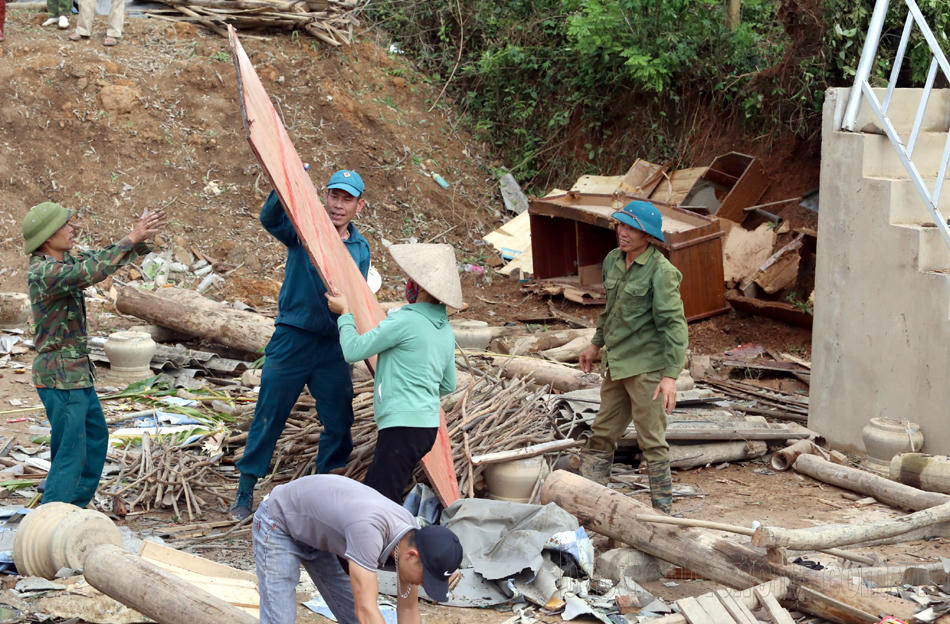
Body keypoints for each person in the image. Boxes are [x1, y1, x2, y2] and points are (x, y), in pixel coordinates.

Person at [231, 170, 371, 520]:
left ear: (359, 206)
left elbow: (357, 297)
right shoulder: (303, 229)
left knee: (339, 419)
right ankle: (246, 489)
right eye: (334, 196)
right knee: (270, 412)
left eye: (347, 199)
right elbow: (269, 219)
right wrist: (282, 182)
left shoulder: (360, 248)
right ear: (325, 196)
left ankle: (325, 490)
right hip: (293, 337)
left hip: (333, 346)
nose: (338, 205)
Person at [23, 202, 165, 507]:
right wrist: (133, 236)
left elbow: (100, 259)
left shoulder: (64, 262)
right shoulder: (44, 272)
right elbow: (91, 271)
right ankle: (54, 517)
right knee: (71, 452)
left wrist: (140, 239)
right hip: (60, 376)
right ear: (47, 237)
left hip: (76, 374)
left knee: (95, 438)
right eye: (65, 225)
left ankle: (75, 508)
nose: (72, 229)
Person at [326, 243, 461, 503]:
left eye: (411, 280)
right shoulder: (445, 330)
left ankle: (390, 531)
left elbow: (353, 350)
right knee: (384, 490)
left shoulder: (404, 321)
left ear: (421, 287)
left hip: (402, 426)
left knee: (379, 499)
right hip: (426, 428)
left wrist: (344, 313)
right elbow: (448, 384)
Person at [577, 200, 688, 514]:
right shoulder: (613, 260)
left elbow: (674, 325)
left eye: (632, 229)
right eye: (621, 225)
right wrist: (595, 345)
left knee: (651, 441)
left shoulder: (662, 272)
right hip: (617, 364)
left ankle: (662, 514)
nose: (623, 233)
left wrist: (670, 377)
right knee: (602, 433)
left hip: (647, 369)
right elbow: (610, 311)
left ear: (648, 236)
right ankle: (588, 507)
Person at [252, 474, 463, 624]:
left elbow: (408, 608)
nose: (422, 584)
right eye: (425, 579)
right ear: (411, 556)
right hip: (280, 522)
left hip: (319, 533)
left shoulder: (411, 539)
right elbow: (366, 609)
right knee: (279, 619)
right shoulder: (369, 532)